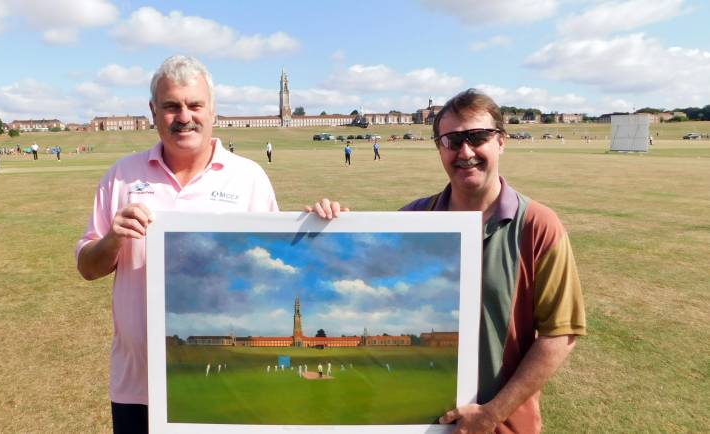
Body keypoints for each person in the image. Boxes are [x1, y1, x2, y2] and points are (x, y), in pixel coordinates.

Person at [311, 89, 585, 434]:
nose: (465, 151)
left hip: (502, 426)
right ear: (439, 147)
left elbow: (560, 334)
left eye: (478, 137)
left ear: (502, 141)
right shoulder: (412, 219)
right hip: (419, 422)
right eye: (452, 140)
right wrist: (324, 229)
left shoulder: (539, 225)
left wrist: (492, 413)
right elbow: (357, 278)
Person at [76, 55, 279, 434]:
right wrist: (113, 238)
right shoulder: (120, 176)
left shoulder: (249, 178)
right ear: (154, 112)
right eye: (171, 106)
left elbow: (275, 269)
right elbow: (88, 268)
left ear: (213, 111)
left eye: (194, 104)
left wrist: (320, 225)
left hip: (226, 384)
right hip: (138, 387)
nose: (184, 116)